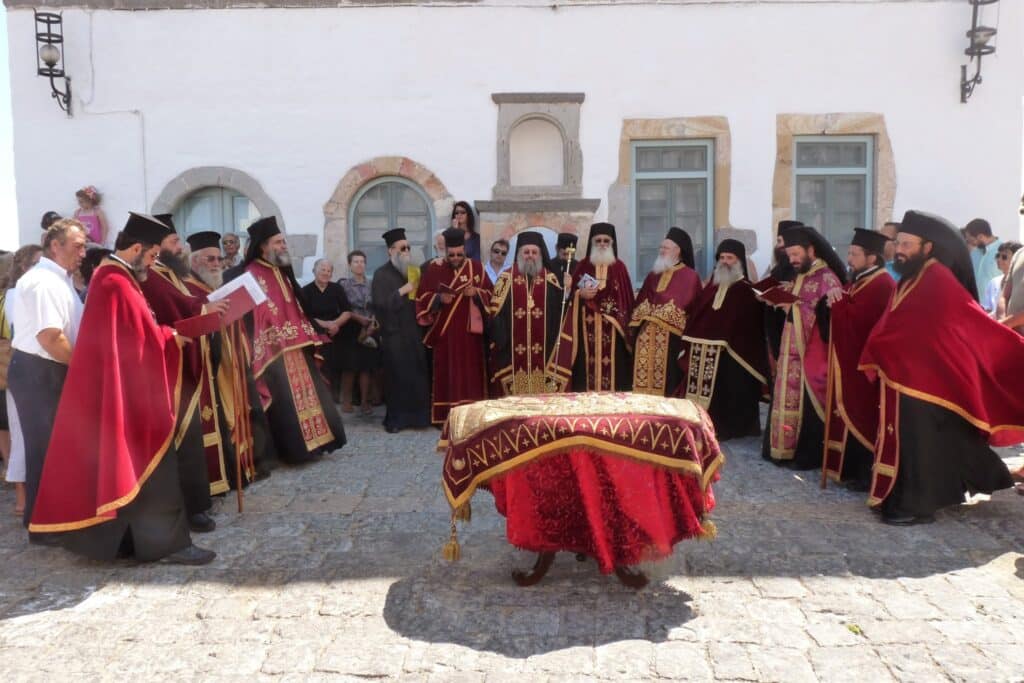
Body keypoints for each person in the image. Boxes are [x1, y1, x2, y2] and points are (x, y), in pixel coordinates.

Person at [28, 212, 215, 564]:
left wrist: (164, 335)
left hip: (125, 391)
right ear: (136, 248)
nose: (154, 262)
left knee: (134, 470)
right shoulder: (115, 282)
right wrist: (171, 337)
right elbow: (137, 342)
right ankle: (168, 546)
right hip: (128, 395)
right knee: (154, 470)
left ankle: (127, 544)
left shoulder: (117, 277)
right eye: (153, 254)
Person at [860, 210, 1022, 524]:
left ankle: (916, 506)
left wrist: (1011, 348)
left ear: (927, 247)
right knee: (932, 440)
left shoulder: (936, 278)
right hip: (910, 376)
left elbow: (967, 320)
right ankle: (940, 490)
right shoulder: (911, 276)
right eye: (898, 243)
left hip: (927, 381)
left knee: (921, 444)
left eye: (907, 244)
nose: (900, 250)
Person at [140, 215, 224, 532]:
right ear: (157, 246)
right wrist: (205, 309)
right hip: (168, 368)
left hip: (185, 358)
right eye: (175, 241)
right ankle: (189, 509)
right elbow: (174, 307)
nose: (180, 247)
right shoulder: (151, 276)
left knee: (190, 438)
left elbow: (185, 301)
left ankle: (195, 503)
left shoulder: (170, 272)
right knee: (183, 440)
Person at [242, 216, 347, 458]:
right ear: (263, 246)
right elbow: (259, 315)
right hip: (275, 352)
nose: (283, 246)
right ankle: (295, 451)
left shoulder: (281, 270)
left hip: (297, 346)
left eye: (283, 242)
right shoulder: (253, 273)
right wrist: (279, 335)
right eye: (278, 242)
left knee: (310, 397)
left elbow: (296, 307)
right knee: (285, 403)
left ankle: (317, 445)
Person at [8, 220, 86, 534]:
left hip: (47, 368)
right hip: (40, 370)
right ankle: (44, 525)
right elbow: (50, 337)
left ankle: (51, 518)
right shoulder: (43, 281)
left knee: (54, 447)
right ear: (56, 246)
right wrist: (82, 369)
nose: (83, 253)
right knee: (45, 449)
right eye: (77, 246)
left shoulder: (59, 279)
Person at [763, 225, 846, 469]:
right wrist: (780, 295)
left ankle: (803, 454)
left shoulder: (827, 278)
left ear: (811, 250)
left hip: (810, 355)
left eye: (796, 254)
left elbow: (827, 318)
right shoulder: (802, 275)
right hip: (790, 350)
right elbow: (801, 301)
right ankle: (782, 448)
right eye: (789, 255)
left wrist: (793, 308)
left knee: (805, 405)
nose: (792, 260)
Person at [821, 228, 896, 491]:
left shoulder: (882, 284)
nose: (849, 259)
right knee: (850, 412)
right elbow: (847, 303)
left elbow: (860, 323)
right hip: (853, 363)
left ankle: (866, 475)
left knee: (864, 414)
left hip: (867, 366)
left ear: (872, 258)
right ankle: (850, 470)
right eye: (849, 253)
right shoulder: (861, 279)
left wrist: (838, 305)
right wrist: (833, 299)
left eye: (854, 254)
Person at [678, 239, 768, 440]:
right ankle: (701, 423)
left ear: (739, 261)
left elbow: (751, 328)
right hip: (704, 351)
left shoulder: (746, 290)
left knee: (730, 389)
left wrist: (726, 337)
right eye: (722, 257)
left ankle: (732, 428)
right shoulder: (711, 287)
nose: (725, 262)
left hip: (734, 356)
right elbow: (698, 313)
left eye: (730, 258)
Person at [416, 228, 492, 425]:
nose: (456, 258)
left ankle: (474, 415)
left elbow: (492, 295)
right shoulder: (434, 269)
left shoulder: (477, 268)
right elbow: (421, 297)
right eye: (452, 255)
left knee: (472, 374)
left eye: (459, 254)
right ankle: (446, 416)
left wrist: (476, 293)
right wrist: (439, 298)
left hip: (471, 335)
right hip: (446, 334)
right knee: (447, 373)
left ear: (464, 250)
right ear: (446, 252)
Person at [489, 230, 572, 395]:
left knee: (541, 399)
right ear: (519, 254)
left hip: (544, 353)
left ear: (540, 255)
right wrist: (500, 341)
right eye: (526, 252)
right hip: (511, 354)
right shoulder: (505, 278)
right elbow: (495, 314)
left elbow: (560, 313)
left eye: (534, 252)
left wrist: (567, 290)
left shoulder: (550, 278)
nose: (530, 256)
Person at [629, 227, 702, 396]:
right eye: (661, 247)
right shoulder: (653, 275)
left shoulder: (690, 276)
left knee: (668, 385)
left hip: (672, 343)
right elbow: (641, 303)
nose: (661, 251)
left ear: (678, 251)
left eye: (666, 248)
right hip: (645, 340)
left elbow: (691, 310)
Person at [371, 228, 431, 432]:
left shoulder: (413, 272)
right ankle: (396, 420)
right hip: (394, 335)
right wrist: (401, 291)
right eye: (402, 248)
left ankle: (419, 418)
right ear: (391, 251)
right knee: (397, 377)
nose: (406, 251)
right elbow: (379, 305)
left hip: (414, 332)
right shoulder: (381, 274)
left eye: (408, 248)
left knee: (417, 375)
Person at [565, 223, 635, 391]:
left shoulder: (619, 268)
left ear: (612, 243)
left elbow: (627, 302)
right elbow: (569, 300)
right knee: (585, 370)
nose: (602, 244)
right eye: (598, 241)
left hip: (614, 333)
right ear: (592, 242)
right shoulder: (582, 266)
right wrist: (578, 294)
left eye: (606, 241)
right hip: (585, 331)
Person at [2, 245, 42, 515]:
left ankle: (24, 500)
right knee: (22, 434)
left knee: (21, 434)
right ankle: (22, 500)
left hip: (22, 368)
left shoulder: (13, 294)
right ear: (25, 267)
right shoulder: (18, 294)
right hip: (26, 367)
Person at [301, 259, 352, 403]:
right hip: (315, 335)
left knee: (336, 366)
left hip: (337, 333)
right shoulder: (305, 291)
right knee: (319, 367)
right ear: (314, 271)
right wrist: (326, 325)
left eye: (329, 271)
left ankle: (335, 398)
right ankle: (319, 399)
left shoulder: (337, 289)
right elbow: (305, 315)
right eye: (322, 269)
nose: (325, 273)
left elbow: (347, 311)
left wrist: (335, 324)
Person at [337, 250, 380, 416]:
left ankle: (364, 402)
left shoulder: (372, 284)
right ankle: (346, 401)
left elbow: (376, 306)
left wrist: (373, 323)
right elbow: (342, 308)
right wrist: (357, 318)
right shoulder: (343, 285)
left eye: (362, 261)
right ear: (350, 265)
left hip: (369, 329)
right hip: (350, 328)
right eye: (356, 261)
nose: (359, 264)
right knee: (349, 366)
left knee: (366, 367)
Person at [764, 220, 804, 365]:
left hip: (792, 331)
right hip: (776, 333)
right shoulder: (777, 269)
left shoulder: (801, 269)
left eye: (781, 241)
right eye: (778, 241)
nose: (778, 246)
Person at [982, 241, 1022, 316]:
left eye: (1004, 257)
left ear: (1016, 259)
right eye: (997, 256)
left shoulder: (1020, 283)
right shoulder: (993, 282)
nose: (999, 259)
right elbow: (986, 310)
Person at [964, 218, 1002, 292]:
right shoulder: (975, 254)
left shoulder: (1002, 252)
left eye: (971, 240)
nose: (971, 243)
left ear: (980, 236)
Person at [1000, 245, 1024, 334]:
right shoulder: (1019, 253)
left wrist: (1006, 324)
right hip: (1011, 335)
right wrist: (1001, 318)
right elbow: (1004, 296)